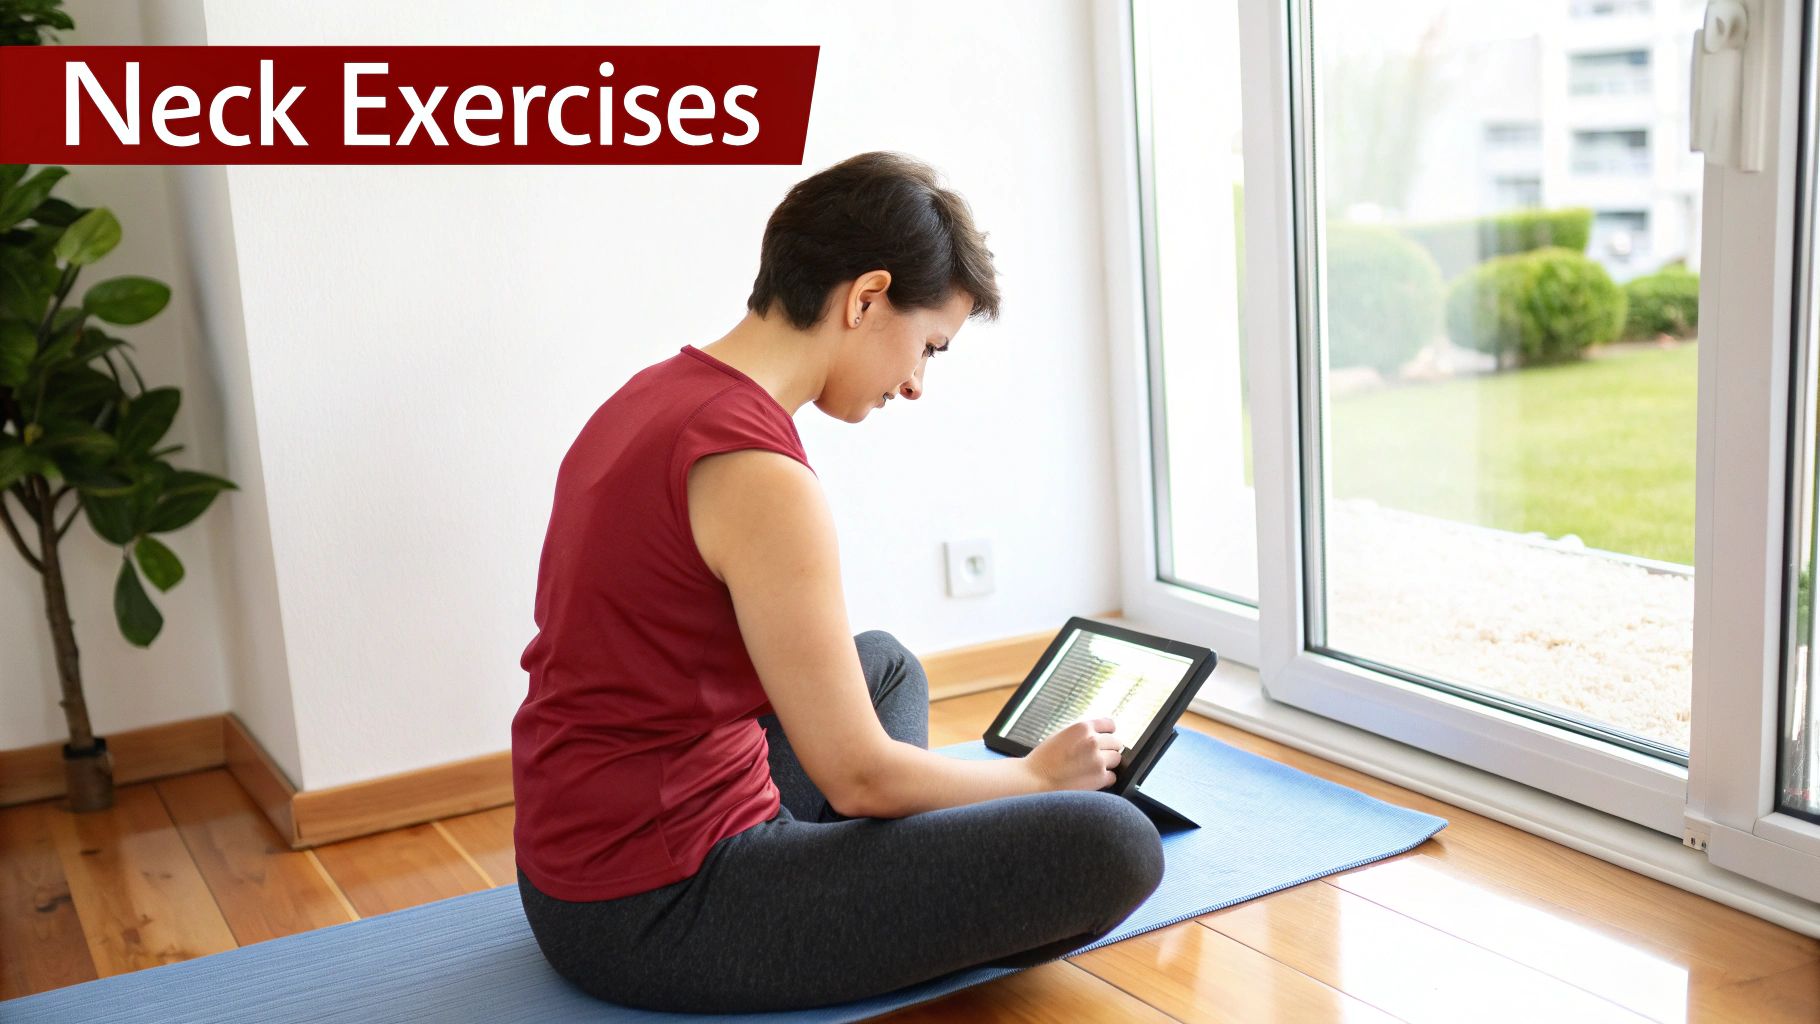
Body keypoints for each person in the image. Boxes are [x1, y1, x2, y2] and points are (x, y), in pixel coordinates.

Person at [510, 151, 1165, 1014]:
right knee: (1116, 843)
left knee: (885, 665)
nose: (917, 384)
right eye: (928, 345)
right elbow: (858, 778)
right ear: (865, 298)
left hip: (575, 851)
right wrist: (1036, 782)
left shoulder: (657, 393)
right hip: (653, 901)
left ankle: (858, 885)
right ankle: (857, 893)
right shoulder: (756, 470)